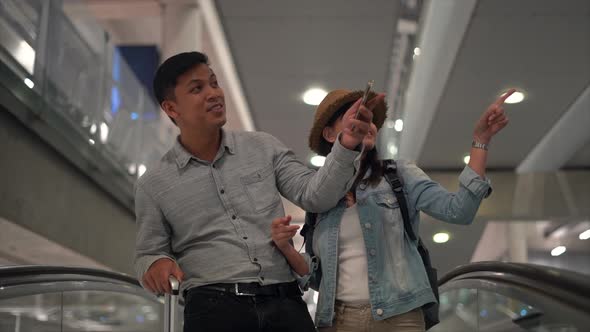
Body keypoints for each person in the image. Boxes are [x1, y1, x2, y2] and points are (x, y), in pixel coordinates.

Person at [133, 51, 385, 332]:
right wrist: (156, 262)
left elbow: (315, 195)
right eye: (197, 88)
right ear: (171, 108)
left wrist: (346, 144)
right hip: (213, 310)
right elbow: (148, 252)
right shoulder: (153, 184)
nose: (214, 93)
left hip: (285, 302)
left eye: (214, 83)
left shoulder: (264, 147)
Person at [271, 88, 515, 331]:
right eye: (354, 116)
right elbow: (315, 277)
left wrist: (480, 141)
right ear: (329, 134)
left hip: (400, 317)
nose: (367, 123)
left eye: (370, 118)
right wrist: (286, 247)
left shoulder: (399, 175)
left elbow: (458, 210)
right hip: (337, 320)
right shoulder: (318, 195)